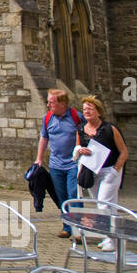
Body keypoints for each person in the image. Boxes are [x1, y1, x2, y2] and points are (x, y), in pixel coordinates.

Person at [73, 95, 129, 251]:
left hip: (109, 171)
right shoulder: (80, 129)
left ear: (98, 111)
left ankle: (111, 240)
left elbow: (124, 152)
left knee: (104, 204)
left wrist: (115, 170)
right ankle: (109, 237)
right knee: (102, 206)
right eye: (84, 109)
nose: (87, 111)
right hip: (91, 171)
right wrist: (79, 150)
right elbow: (76, 148)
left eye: (90, 109)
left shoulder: (110, 129)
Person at [32, 87, 85, 238]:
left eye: (51, 102)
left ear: (62, 103)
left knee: (73, 195)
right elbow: (44, 138)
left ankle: (78, 229)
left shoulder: (77, 117)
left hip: (74, 164)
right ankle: (67, 227)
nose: (48, 105)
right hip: (56, 165)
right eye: (48, 102)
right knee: (61, 197)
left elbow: (88, 135)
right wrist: (39, 158)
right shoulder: (47, 118)